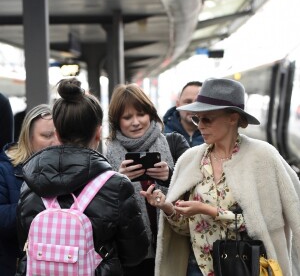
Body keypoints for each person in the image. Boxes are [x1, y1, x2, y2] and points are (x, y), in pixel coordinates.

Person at [141, 78, 300, 276]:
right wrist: (168, 208)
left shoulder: (263, 157)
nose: (200, 126)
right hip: (196, 269)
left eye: (207, 119)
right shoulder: (190, 160)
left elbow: (267, 224)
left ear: (233, 118)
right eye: (196, 119)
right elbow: (186, 230)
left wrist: (210, 211)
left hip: (246, 268)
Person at [16, 78, 149, 276]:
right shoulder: (116, 185)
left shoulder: (30, 182)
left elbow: (23, 242)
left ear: (58, 134)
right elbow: (135, 254)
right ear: (98, 133)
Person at [105, 83, 189, 276]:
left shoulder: (174, 143)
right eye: (127, 117)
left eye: (141, 114)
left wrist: (169, 176)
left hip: (171, 245)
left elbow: (194, 188)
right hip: (129, 254)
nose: (135, 122)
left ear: (150, 114)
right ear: (117, 121)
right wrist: (117, 180)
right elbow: (103, 210)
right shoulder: (106, 155)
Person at [0, 104, 58, 276]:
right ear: (28, 138)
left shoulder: (71, 168)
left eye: (58, 135)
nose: (54, 141)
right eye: (47, 135)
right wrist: (37, 203)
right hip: (15, 265)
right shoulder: (5, 169)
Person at [163, 81, 204, 147]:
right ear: (178, 104)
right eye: (188, 102)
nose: (192, 107)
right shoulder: (162, 135)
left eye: (198, 102)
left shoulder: (216, 135)